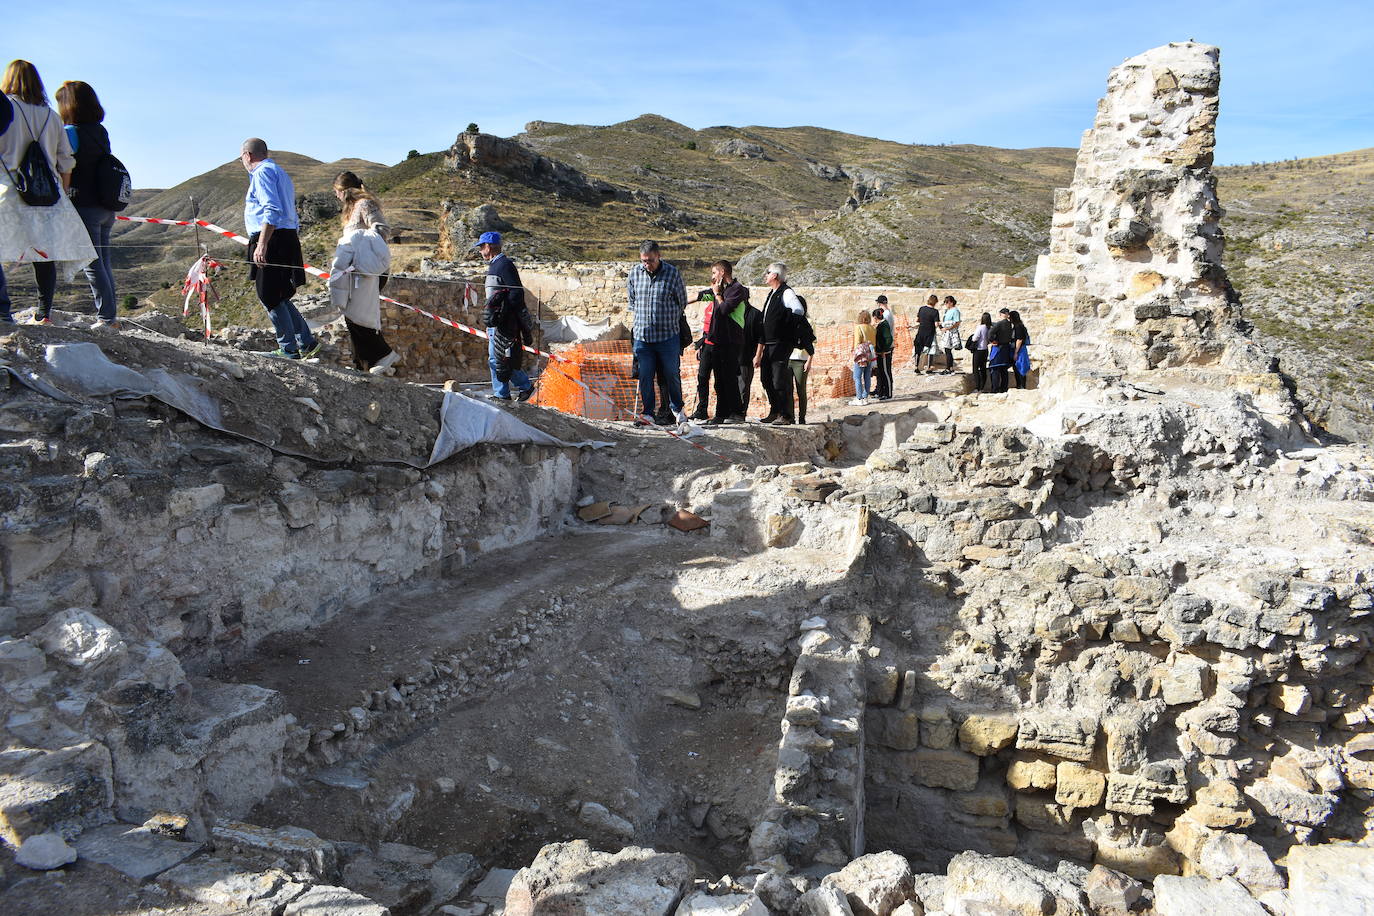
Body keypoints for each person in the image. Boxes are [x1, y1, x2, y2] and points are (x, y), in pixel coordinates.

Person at [0, 60, 94, 324]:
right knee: (44, 254)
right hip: (48, 195)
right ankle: (44, 313)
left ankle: (2, 312)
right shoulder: (51, 116)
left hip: (8, 191)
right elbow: (66, 159)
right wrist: (62, 191)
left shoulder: (6, 109)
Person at [240, 137, 318, 359]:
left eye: (242, 158)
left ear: (248, 155)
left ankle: (289, 349)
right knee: (280, 294)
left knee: (269, 295)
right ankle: (306, 342)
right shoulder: (280, 172)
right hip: (286, 236)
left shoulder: (262, 173)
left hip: (272, 237)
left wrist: (262, 243)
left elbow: (271, 210)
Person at [55, 80, 119, 329]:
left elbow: (64, 165)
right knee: (103, 262)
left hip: (83, 205)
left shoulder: (70, 132)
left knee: (92, 265)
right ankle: (110, 317)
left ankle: (106, 318)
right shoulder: (100, 131)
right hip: (105, 206)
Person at [329, 171, 399, 375]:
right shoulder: (351, 209)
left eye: (336, 192)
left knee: (359, 316)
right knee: (353, 315)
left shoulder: (365, 205)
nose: (336, 196)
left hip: (367, 270)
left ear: (343, 190)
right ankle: (364, 363)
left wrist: (361, 241)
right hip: (356, 270)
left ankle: (383, 355)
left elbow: (382, 230)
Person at [626, 240, 688, 426]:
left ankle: (677, 410)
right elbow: (632, 301)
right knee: (645, 375)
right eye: (644, 261)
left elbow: (682, 301)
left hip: (667, 337)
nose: (647, 264)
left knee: (671, 374)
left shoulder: (672, 274)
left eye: (650, 260)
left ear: (658, 256)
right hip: (643, 339)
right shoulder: (635, 273)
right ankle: (648, 413)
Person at [477, 231, 534, 401]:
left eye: (481, 247)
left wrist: (502, 315)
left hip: (503, 323)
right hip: (496, 323)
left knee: (499, 359)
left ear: (488, 246)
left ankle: (510, 392)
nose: (480, 251)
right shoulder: (496, 265)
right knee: (498, 359)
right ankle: (509, 391)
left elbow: (516, 295)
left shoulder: (504, 265)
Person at [691, 259, 747, 425]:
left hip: (731, 341)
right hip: (717, 341)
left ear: (722, 273)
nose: (713, 276)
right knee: (719, 380)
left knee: (727, 379)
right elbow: (701, 295)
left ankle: (733, 413)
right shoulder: (721, 290)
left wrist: (717, 294)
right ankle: (721, 413)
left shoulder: (737, 290)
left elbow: (725, 309)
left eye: (715, 273)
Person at [754, 262, 805, 425]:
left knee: (779, 379)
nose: (766, 275)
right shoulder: (772, 293)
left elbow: (798, 310)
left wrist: (785, 329)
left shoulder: (787, 292)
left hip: (780, 343)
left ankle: (786, 414)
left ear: (775, 275)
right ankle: (775, 410)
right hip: (769, 343)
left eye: (767, 272)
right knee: (766, 378)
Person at [738, 299, 764, 417]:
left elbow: (761, 337)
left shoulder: (756, 314)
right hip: (732, 355)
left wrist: (758, 355)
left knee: (743, 386)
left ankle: (741, 412)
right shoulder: (733, 311)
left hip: (747, 356)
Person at [850, 309, 876, 408]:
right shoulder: (872, 328)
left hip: (862, 355)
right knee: (867, 376)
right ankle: (865, 397)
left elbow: (857, 342)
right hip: (870, 354)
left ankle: (859, 398)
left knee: (857, 377)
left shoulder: (858, 328)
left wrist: (855, 353)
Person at [988, 308, 1015, 393]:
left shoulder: (999, 324)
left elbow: (990, 333)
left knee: (995, 369)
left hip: (998, 348)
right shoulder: (1010, 324)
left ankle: (995, 389)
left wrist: (992, 341)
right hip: (1006, 348)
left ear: (1000, 314)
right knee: (1004, 370)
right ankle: (1004, 389)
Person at [912, 294, 940, 373]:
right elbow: (936, 324)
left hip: (921, 331)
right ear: (935, 302)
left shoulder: (922, 309)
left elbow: (917, 320)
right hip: (930, 332)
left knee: (918, 348)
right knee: (931, 349)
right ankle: (928, 367)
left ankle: (916, 366)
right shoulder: (935, 312)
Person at [872, 304, 894, 400]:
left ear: (876, 317)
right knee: (880, 373)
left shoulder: (884, 325)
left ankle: (888, 393)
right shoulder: (881, 325)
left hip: (884, 353)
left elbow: (888, 339)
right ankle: (881, 392)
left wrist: (884, 350)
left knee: (886, 372)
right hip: (880, 353)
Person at [938, 295, 962, 375]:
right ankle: (950, 367)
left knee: (948, 350)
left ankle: (948, 368)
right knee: (947, 350)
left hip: (951, 332)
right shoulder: (947, 311)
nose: (946, 304)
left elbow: (957, 322)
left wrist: (948, 328)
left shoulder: (955, 311)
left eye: (947, 302)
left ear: (951, 302)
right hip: (946, 332)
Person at [1009, 309, 1032, 389]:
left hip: (1019, 350)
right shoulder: (1019, 326)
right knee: (1017, 368)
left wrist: (1016, 352)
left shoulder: (1018, 327)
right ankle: (1019, 385)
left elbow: (1019, 339)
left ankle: (1021, 386)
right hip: (1019, 349)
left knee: (1020, 368)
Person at [971, 311, 992, 391]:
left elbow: (975, 338)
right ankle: (982, 387)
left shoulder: (980, 327)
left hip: (978, 350)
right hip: (985, 350)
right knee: (983, 368)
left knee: (975, 369)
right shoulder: (989, 327)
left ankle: (977, 387)